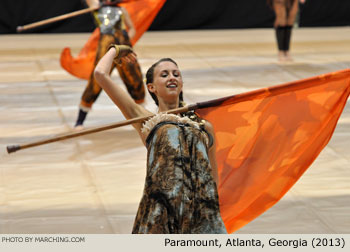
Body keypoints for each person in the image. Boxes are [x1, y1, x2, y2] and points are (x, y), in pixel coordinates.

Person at [94, 44, 227, 233]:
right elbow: (100, 74)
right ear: (152, 87)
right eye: (164, 75)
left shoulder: (205, 127)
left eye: (176, 74)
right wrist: (115, 50)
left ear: (181, 83)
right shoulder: (146, 120)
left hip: (200, 215)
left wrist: (211, 213)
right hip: (160, 215)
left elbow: (213, 177)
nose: (172, 77)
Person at [74, 0, 145, 129]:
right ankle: (79, 121)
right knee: (96, 81)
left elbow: (132, 28)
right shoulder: (97, 7)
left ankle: (143, 117)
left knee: (135, 79)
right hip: (106, 47)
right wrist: (95, 4)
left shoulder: (121, 9)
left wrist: (126, 42)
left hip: (123, 46)